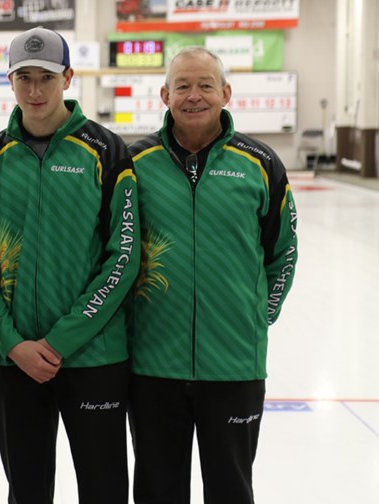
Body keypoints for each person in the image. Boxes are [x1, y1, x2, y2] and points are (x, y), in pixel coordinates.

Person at [0, 27, 139, 503]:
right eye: (23, 77)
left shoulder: (106, 151)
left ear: (67, 77)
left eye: (45, 76)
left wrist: (61, 340)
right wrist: (11, 341)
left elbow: (122, 256)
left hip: (94, 357)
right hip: (16, 358)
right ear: (10, 81)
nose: (35, 89)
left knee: (103, 486)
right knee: (26, 487)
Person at [126, 46, 298, 504]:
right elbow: (112, 253)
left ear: (225, 93)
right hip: (152, 364)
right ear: (165, 95)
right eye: (182, 85)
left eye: (205, 85)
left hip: (234, 365)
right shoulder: (135, 163)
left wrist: (256, 316)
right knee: (157, 490)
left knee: (231, 488)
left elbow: (283, 250)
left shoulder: (260, 164)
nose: (194, 95)